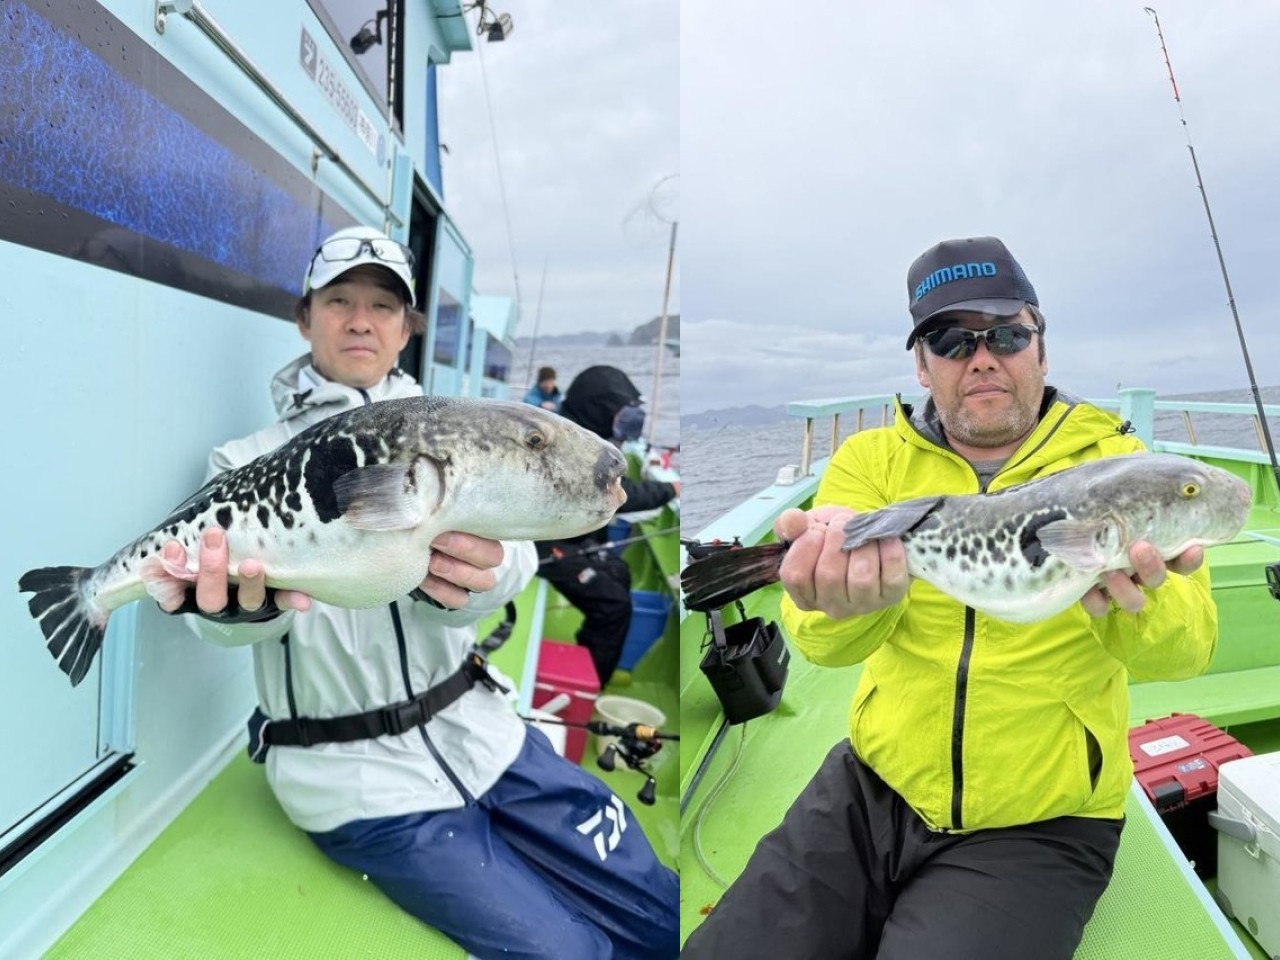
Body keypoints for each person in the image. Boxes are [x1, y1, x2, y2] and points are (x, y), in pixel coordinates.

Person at [681, 236, 1218, 960]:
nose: (983, 357)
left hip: (1040, 820)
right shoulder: (870, 462)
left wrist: (1137, 600)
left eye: (1007, 334)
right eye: (950, 339)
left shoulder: (1120, 466)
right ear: (922, 364)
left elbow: (1191, 649)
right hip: (872, 783)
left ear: (1041, 348)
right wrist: (833, 598)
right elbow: (822, 643)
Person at [153, 226, 678, 960]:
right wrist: (238, 609)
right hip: (354, 781)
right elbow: (231, 625)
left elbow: (516, 560)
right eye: (339, 301)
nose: (360, 320)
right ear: (305, 317)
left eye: (382, 304)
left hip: (484, 732)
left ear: (407, 326)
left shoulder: (462, 432)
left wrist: (477, 579)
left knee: (663, 910)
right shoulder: (244, 462)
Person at [536, 365, 678, 686]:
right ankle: (589, 684)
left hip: (573, 540)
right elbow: (617, 494)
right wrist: (670, 489)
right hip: (545, 546)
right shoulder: (567, 446)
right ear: (599, 408)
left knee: (620, 572)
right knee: (614, 607)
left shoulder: (589, 438)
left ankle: (586, 660)